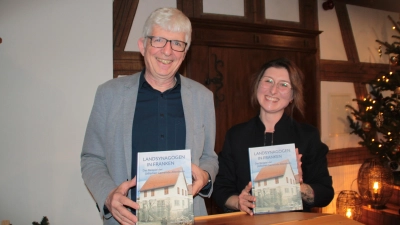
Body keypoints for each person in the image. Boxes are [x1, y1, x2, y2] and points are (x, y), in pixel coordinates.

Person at [81, 8, 218, 225]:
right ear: (142, 45)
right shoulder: (109, 94)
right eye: (159, 40)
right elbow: (91, 158)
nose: (167, 51)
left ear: (185, 52)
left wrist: (206, 176)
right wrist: (108, 195)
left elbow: (209, 157)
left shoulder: (202, 97)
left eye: (177, 43)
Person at [212, 58, 334, 215]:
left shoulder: (307, 136)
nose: (273, 90)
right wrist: (238, 202)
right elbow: (221, 188)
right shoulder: (236, 135)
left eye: (283, 84)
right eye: (268, 81)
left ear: (292, 96)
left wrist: (299, 188)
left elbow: (326, 192)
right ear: (257, 85)